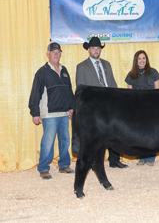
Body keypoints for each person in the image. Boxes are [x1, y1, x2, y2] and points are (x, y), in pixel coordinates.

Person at [73, 37, 128, 168]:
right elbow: (80, 88)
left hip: (109, 104)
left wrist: (117, 100)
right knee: (95, 135)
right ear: (88, 50)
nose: (96, 50)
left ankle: (114, 160)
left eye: (98, 48)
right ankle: (94, 161)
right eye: (93, 48)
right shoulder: (81, 66)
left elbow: (112, 83)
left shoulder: (106, 64)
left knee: (114, 132)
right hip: (94, 107)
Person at [29, 42, 75, 179]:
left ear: (60, 54)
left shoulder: (64, 70)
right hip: (49, 113)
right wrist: (35, 112)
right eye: (53, 52)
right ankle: (43, 168)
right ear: (47, 54)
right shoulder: (42, 72)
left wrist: (72, 107)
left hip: (64, 112)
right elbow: (35, 93)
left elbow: (69, 91)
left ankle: (64, 164)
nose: (56, 54)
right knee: (48, 141)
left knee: (65, 140)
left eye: (58, 52)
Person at [125, 50, 159, 166]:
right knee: (139, 134)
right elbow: (129, 94)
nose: (142, 60)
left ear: (147, 60)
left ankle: (151, 157)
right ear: (136, 61)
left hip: (152, 108)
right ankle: (142, 157)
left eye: (144, 58)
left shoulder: (153, 72)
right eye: (139, 58)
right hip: (137, 109)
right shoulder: (131, 75)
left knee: (151, 133)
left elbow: (158, 92)